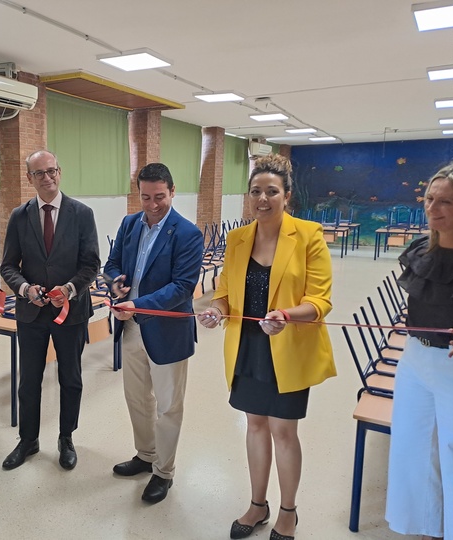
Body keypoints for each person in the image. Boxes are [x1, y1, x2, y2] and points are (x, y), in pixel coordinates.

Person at [198, 154, 335, 540]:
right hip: (247, 347)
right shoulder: (239, 238)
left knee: (283, 432)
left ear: (286, 195)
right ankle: (258, 504)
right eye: (256, 191)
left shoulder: (308, 235)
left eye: (271, 191)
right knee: (255, 426)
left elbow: (321, 301)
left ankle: (288, 511)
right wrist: (216, 310)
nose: (263, 198)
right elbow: (225, 292)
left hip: (287, 348)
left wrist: (287, 316)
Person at [104, 162, 204, 504]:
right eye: (145, 197)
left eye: (159, 196)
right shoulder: (130, 224)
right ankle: (145, 455)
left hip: (167, 332)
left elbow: (183, 287)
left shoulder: (188, 233)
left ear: (173, 192)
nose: (152, 204)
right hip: (130, 328)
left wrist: (138, 304)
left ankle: (164, 472)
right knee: (137, 399)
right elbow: (112, 264)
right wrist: (115, 282)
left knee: (168, 406)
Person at [0, 150, 100, 471]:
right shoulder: (19, 216)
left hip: (70, 311)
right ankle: (28, 440)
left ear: (60, 171)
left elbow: (91, 264)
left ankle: (66, 437)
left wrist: (69, 289)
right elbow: (8, 266)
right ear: (29, 178)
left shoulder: (81, 214)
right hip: (31, 313)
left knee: (70, 378)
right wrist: (25, 289)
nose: (47, 177)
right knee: (29, 380)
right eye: (39, 173)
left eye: (52, 171)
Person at [386, 163, 453, 540]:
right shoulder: (419, 251)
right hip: (414, 361)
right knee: (413, 449)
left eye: (446, 201)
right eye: (430, 199)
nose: (434, 208)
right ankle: (426, 528)